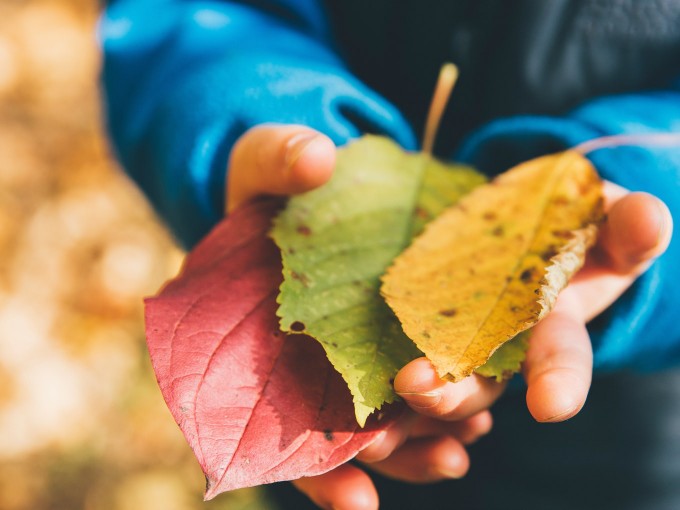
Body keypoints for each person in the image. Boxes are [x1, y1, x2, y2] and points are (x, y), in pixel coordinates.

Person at [99, 1, 679, 509]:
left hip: (626, 456)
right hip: (319, 391)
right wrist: (241, 115)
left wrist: (634, 197)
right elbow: (187, 15)